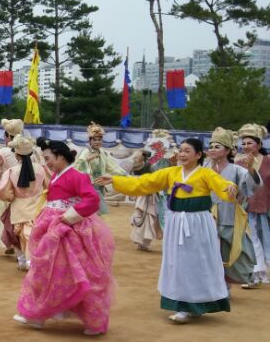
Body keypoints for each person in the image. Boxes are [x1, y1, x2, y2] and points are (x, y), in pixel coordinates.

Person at [98, 138, 237, 324]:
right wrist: (115, 180)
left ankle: (198, 303)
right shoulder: (171, 173)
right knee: (178, 262)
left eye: (187, 151)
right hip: (176, 223)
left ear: (198, 155)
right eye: (181, 150)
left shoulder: (205, 173)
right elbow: (144, 183)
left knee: (198, 262)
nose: (182, 154)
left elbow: (222, 186)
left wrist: (230, 188)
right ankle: (182, 305)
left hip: (197, 223)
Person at [14, 140, 116, 335]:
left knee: (76, 273)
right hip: (54, 230)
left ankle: (92, 319)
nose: (47, 162)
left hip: (70, 231)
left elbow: (92, 200)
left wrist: (69, 218)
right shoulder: (56, 176)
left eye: (48, 158)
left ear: (60, 155)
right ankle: (37, 315)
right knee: (45, 270)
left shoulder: (77, 176)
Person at [204, 127, 268, 288]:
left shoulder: (236, 170)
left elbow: (252, 186)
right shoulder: (203, 169)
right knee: (206, 255)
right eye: (211, 146)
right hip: (204, 217)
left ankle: (224, 287)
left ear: (228, 151)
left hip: (228, 218)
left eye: (217, 146)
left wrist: (251, 169)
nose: (212, 149)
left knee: (226, 254)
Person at [0, 136, 50, 271]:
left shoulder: (12, 171)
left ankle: (23, 260)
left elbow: (2, 192)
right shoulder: (41, 169)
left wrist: (11, 197)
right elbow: (48, 187)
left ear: (16, 154)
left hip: (18, 208)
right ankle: (32, 261)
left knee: (17, 235)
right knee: (35, 235)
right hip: (38, 206)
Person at [0, 119, 25, 256]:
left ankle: (9, 243)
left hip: (6, 190)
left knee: (4, 218)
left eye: (5, 135)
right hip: (24, 191)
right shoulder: (28, 149)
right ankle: (20, 244)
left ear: (8, 135)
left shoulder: (3, 151)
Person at [73, 122, 127, 215]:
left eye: (99, 139)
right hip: (89, 186)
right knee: (94, 212)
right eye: (94, 140)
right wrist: (87, 160)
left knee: (96, 212)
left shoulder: (102, 153)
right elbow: (77, 167)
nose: (97, 142)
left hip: (100, 185)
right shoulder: (86, 152)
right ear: (90, 141)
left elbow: (112, 166)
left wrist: (124, 174)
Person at [237, 123, 270, 269]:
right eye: (243, 143)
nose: (246, 146)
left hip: (266, 206)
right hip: (246, 207)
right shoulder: (239, 162)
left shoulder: (268, 160)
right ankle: (256, 270)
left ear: (259, 144)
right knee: (251, 239)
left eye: (250, 143)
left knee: (266, 239)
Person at [128, 150, 163, 251]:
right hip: (146, 195)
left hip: (147, 195)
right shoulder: (143, 166)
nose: (136, 158)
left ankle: (141, 242)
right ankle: (141, 243)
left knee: (145, 217)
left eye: (138, 156)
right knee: (145, 217)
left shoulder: (146, 167)